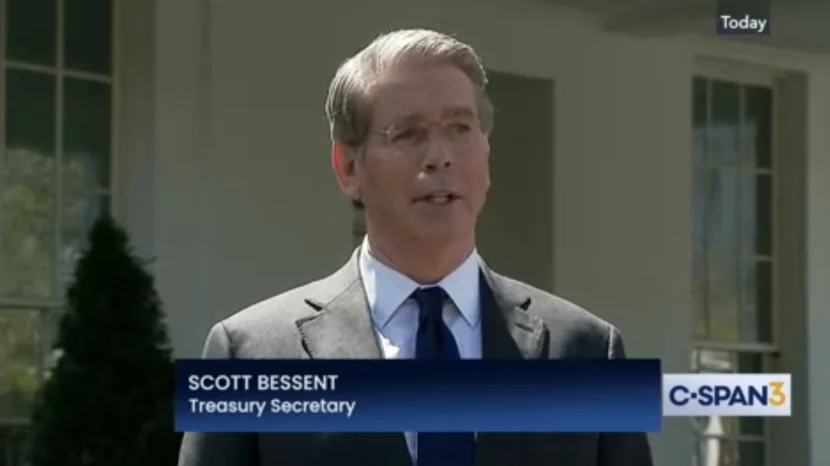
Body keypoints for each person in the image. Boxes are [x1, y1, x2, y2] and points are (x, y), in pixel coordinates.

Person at [178, 28, 654, 466]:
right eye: (408, 133)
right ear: (348, 168)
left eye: (461, 128)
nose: (440, 155)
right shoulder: (248, 352)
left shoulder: (589, 350)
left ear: (486, 152)